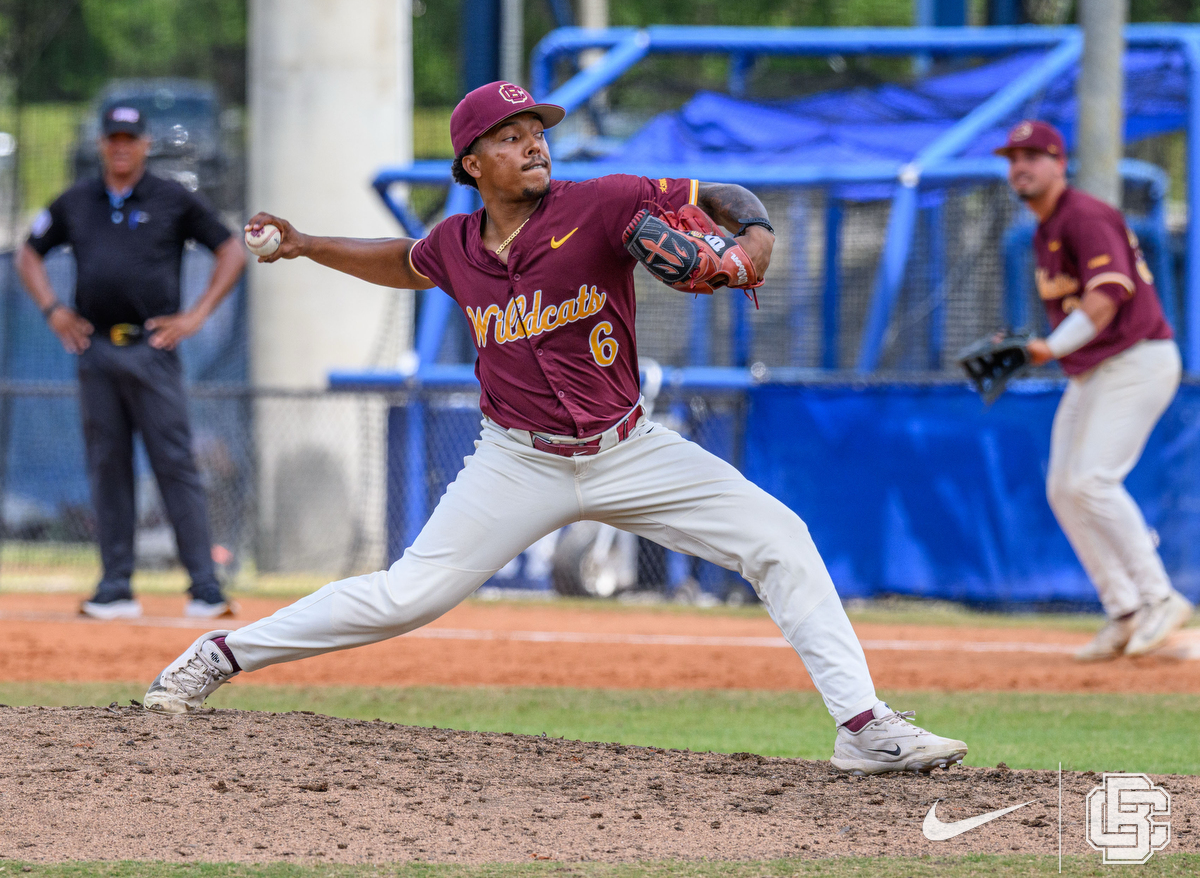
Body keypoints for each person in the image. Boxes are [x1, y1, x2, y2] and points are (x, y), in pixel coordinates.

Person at [143, 81, 967, 775]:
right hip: (516, 461)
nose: (534, 144)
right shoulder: (457, 245)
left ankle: (863, 730)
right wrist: (307, 243)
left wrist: (749, 247)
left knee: (778, 537)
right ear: (471, 163)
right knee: (403, 597)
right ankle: (221, 654)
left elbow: (725, 198)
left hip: (629, 448)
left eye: (537, 131)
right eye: (510, 135)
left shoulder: (604, 203)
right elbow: (404, 262)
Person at [17, 105, 245, 620]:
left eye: (130, 138)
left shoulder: (172, 198)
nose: (121, 147)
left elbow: (230, 249)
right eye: (113, 138)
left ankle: (205, 588)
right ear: (102, 143)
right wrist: (54, 310)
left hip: (153, 349)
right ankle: (115, 587)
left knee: (175, 463)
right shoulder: (78, 201)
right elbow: (30, 252)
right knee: (107, 464)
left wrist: (197, 315)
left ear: (145, 144)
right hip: (94, 349)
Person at [997, 119, 1194, 660]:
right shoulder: (1044, 231)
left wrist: (1048, 347)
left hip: (1137, 358)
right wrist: (1033, 345)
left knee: (1093, 481)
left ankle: (1161, 598)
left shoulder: (1085, 216)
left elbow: (1105, 299)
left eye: (1034, 155)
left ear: (1061, 164)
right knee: (1064, 487)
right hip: (1094, 370)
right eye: (1014, 157)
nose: (1021, 165)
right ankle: (1126, 611)